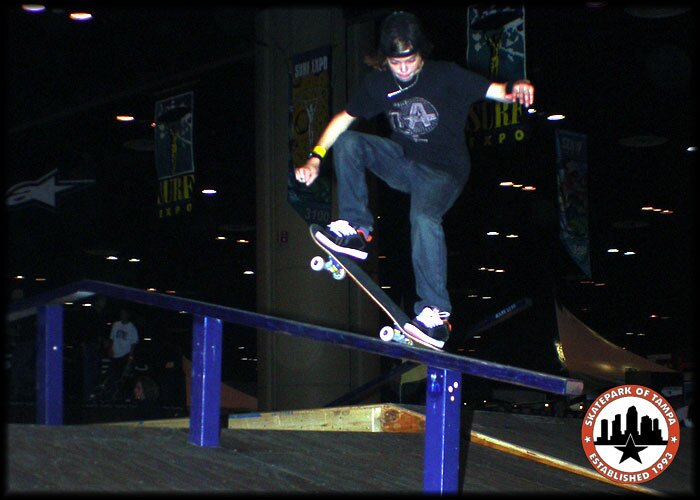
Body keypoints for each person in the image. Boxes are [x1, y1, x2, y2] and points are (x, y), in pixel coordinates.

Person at [295, 11, 534, 350]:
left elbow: (497, 90)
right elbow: (341, 120)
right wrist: (315, 156)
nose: (404, 70)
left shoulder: (445, 76)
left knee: (423, 218)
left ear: (421, 54)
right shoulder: (377, 84)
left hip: (444, 173)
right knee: (350, 142)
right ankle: (357, 230)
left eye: (411, 61)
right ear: (385, 60)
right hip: (403, 163)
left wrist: (516, 87)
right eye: (396, 63)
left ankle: (436, 313)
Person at [101, 307, 139, 401]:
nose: (122, 315)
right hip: (115, 354)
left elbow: (133, 343)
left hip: (125, 354)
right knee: (113, 375)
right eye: (121, 313)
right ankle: (111, 395)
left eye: (124, 313)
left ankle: (123, 396)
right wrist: (110, 349)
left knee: (123, 377)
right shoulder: (116, 325)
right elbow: (112, 338)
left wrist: (131, 356)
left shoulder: (132, 327)